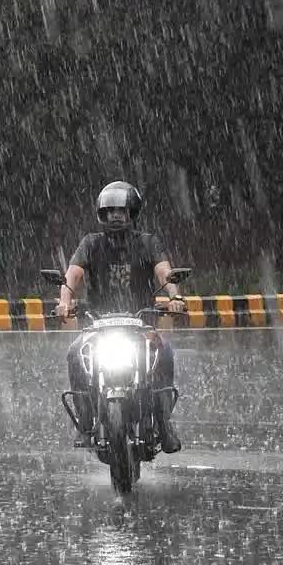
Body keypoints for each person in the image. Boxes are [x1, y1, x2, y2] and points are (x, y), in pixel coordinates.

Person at [53, 180, 186, 453]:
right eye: (110, 210)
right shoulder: (91, 243)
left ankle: (163, 422)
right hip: (98, 325)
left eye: (121, 210)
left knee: (165, 352)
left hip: (140, 324)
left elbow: (164, 272)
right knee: (74, 353)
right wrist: (64, 303)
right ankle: (85, 422)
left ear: (132, 213)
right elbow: (73, 275)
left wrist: (175, 297)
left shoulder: (148, 243)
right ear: (102, 214)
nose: (115, 216)